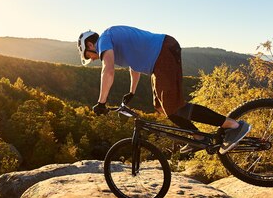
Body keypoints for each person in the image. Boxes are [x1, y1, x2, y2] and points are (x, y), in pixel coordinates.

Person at [78, 25, 250, 153]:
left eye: (88, 55)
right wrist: (132, 92)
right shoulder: (112, 42)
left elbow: (107, 71)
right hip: (158, 60)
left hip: (163, 51)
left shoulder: (105, 39)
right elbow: (134, 66)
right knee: (161, 107)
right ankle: (198, 138)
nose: (92, 59)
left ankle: (232, 125)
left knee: (175, 107)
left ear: (91, 45)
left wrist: (101, 102)